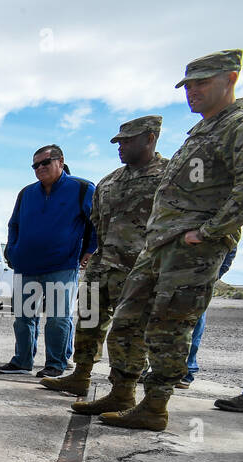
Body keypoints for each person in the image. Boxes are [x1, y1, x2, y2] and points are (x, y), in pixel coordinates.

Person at [86, 50, 243, 431]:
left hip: (190, 249)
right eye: (188, 86)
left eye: (202, 83)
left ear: (231, 79)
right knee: (128, 321)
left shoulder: (238, 126)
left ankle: (155, 405)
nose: (192, 92)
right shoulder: (202, 131)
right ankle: (122, 392)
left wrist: (208, 232)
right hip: (158, 248)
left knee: (169, 325)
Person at [41, 118, 167, 398]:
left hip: (141, 269)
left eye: (127, 140)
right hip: (102, 267)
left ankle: (123, 391)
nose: (120, 147)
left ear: (150, 138)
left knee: (131, 331)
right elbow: (96, 222)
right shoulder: (110, 181)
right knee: (87, 322)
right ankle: (81, 376)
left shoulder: (168, 176)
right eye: (118, 142)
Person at [0, 144, 96, 376]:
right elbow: (14, 224)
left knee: (58, 318)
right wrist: (12, 250)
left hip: (62, 266)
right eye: (35, 165)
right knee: (23, 319)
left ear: (60, 162)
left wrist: (90, 250)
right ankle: (22, 362)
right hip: (27, 265)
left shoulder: (82, 188)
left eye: (45, 163)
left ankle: (55, 364)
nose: (39, 168)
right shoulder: (27, 193)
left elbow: (96, 223)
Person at [178, 247, 237, 387]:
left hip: (199, 278)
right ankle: (152, 369)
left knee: (193, 325)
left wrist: (211, 276)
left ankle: (186, 372)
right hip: (170, 273)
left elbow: (230, 247)